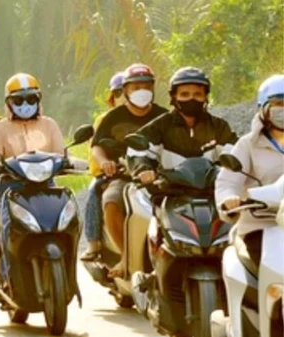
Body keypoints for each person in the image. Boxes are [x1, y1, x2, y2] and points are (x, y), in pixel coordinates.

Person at [82, 65, 167, 271]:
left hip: (159, 176)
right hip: (123, 177)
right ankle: (126, 257)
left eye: (146, 86)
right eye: (136, 87)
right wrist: (104, 163)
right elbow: (97, 147)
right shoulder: (112, 118)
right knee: (110, 201)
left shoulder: (164, 116)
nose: (141, 91)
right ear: (126, 90)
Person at [0, 74, 65, 265]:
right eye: (18, 100)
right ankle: (6, 273)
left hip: (47, 186)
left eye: (31, 99)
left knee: (67, 222)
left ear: (39, 100)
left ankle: (69, 274)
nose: (25, 104)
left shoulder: (49, 125)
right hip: (12, 189)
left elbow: (60, 153)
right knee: (7, 227)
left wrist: (72, 162)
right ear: (8, 103)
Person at [216, 74, 284, 268]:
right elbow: (228, 182)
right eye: (278, 104)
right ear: (263, 109)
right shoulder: (247, 145)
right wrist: (229, 199)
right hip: (262, 226)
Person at [130, 66, 238, 187]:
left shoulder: (219, 126)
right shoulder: (160, 125)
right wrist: (143, 169)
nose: (191, 99)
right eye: (185, 94)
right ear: (174, 97)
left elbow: (235, 152)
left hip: (211, 190)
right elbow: (138, 151)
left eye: (197, 94)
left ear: (205, 97)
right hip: (169, 191)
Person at [82, 71, 126, 261]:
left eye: (128, 91)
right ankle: (93, 243)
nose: (123, 97)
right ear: (111, 99)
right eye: (118, 93)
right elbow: (96, 149)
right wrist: (106, 164)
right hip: (114, 174)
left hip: (145, 173)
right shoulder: (104, 121)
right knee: (94, 191)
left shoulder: (154, 117)